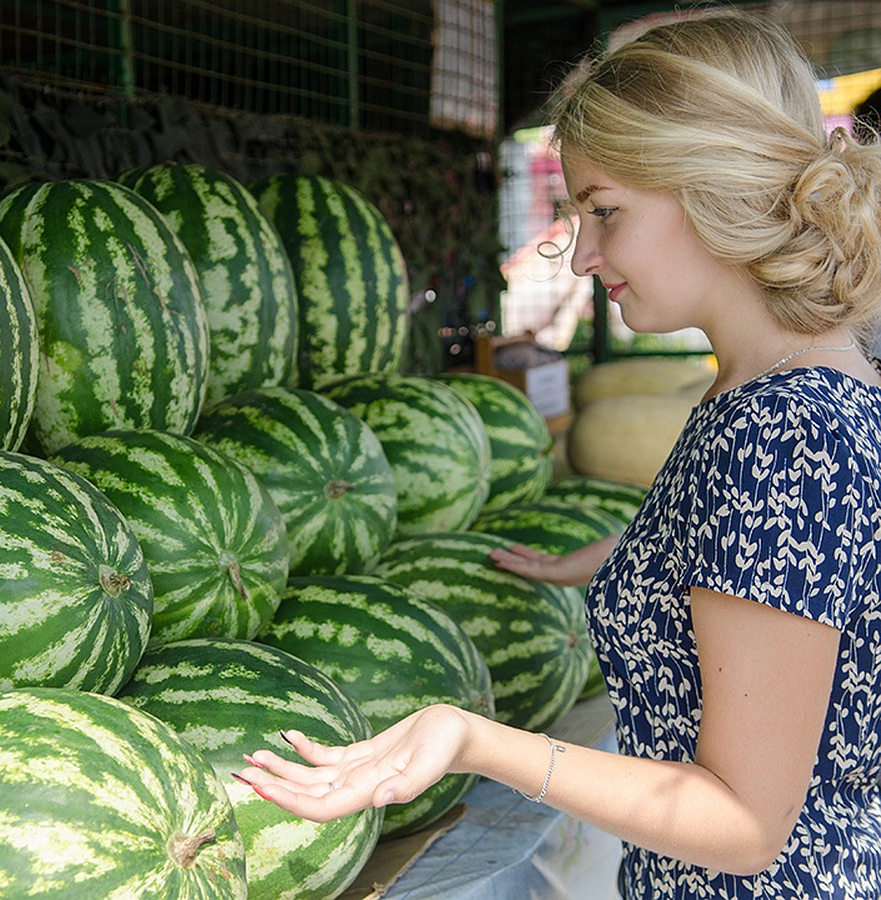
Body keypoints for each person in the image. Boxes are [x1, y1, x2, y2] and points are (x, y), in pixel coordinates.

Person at [237, 10, 881, 898]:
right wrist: (652, 560)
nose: (581, 254)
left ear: (711, 184)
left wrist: (473, 739)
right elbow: (823, 580)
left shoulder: (774, 432)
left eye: (604, 211)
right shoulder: (829, 381)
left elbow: (741, 825)